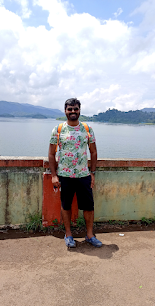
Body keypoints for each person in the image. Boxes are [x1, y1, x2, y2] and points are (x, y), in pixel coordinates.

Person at [48, 98, 102, 248]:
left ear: (80, 110)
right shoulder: (58, 129)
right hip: (64, 176)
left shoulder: (87, 128)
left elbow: (93, 151)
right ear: (65, 111)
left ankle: (90, 235)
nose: (73, 112)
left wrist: (92, 172)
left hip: (83, 175)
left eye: (75, 109)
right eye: (70, 109)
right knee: (66, 206)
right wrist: (53, 175)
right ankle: (69, 235)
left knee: (89, 206)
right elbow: (51, 154)